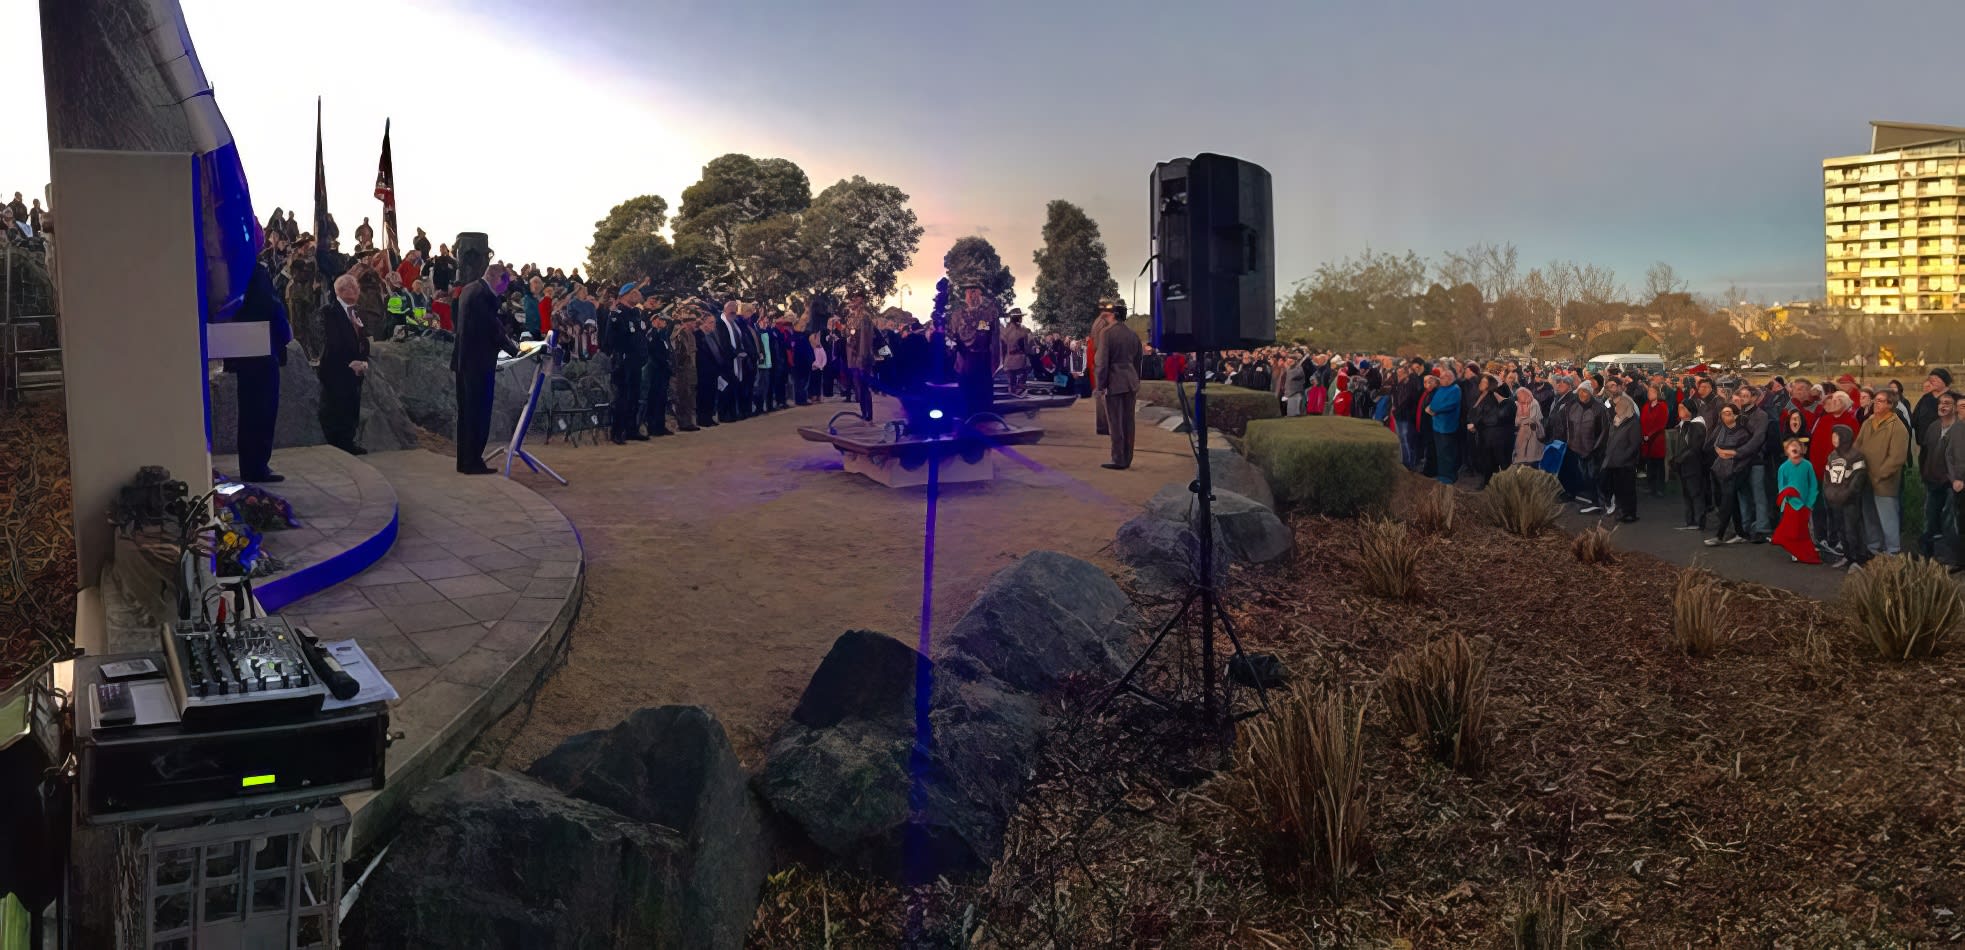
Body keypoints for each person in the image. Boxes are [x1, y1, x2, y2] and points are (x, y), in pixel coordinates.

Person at [226, 261, 292, 482]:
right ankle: (256, 466)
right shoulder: (256, 272)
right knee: (261, 410)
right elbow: (270, 308)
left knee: (251, 410)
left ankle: (252, 464)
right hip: (260, 350)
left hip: (248, 350)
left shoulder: (238, 270)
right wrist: (284, 334)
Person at [451, 264, 520, 473]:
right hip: (478, 363)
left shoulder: (469, 289)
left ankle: (465, 460)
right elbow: (491, 327)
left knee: (467, 414)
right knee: (478, 413)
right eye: (504, 283)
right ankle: (473, 462)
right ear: (496, 278)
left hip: (465, 360)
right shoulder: (483, 295)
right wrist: (513, 349)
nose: (504, 289)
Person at [317, 274, 371, 455]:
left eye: (357, 288)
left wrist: (363, 359)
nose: (356, 291)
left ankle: (349, 441)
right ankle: (337, 443)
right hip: (337, 368)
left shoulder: (356, 311)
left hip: (356, 370)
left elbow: (362, 339)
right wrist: (349, 362)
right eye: (351, 288)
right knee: (336, 407)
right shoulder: (329, 312)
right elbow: (331, 341)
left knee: (352, 405)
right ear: (340, 291)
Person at [1856, 389, 1909, 555]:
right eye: (1875, 400)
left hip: (1884, 482)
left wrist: (1879, 475)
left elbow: (1896, 458)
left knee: (1888, 518)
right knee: (1869, 516)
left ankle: (1892, 551)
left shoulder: (1898, 427)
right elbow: (1857, 446)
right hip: (1864, 479)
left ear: (1890, 405)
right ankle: (1874, 548)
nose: (1875, 403)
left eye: (1880, 401)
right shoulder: (1867, 423)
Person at [1096, 300, 1143, 471]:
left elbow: (1102, 362)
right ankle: (1127, 458)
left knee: (1115, 422)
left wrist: (1100, 385)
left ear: (1114, 314)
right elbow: (1139, 360)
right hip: (1130, 380)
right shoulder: (1132, 334)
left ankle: (1118, 459)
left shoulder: (1106, 333)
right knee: (1129, 422)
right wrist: (1136, 379)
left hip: (1115, 381)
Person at [1919, 390, 1965, 562]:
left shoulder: (1960, 429)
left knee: (1949, 522)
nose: (1942, 406)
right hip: (1932, 481)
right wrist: (1924, 473)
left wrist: (1958, 478)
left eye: (1947, 403)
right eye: (1940, 403)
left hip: (1950, 483)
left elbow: (1960, 458)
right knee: (1930, 519)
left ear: (1954, 408)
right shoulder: (1933, 427)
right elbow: (1925, 452)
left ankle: (1949, 557)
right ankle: (1929, 555)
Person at [603, 283, 650, 443]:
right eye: (634, 292)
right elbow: (611, 339)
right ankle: (617, 431)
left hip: (636, 361)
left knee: (634, 396)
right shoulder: (617, 313)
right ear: (625, 294)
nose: (638, 295)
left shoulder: (636, 313)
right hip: (623, 361)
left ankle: (631, 429)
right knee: (622, 397)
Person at [1822, 424, 1871, 570]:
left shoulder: (1856, 456)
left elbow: (1858, 479)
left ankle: (1858, 558)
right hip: (1835, 501)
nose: (1833, 439)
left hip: (1850, 501)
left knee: (1852, 528)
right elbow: (1827, 478)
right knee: (1841, 528)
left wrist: (1846, 494)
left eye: (1836, 436)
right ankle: (1847, 555)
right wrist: (1829, 493)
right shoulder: (1832, 456)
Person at [1706, 406, 1751, 546]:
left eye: (1728, 413)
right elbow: (1716, 445)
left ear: (1736, 416)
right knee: (1732, 502)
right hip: (1721, 471)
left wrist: (1728, 454)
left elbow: (1744, 453)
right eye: (1723, 414)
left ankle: (1720, 535)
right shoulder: (1721, 429)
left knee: (1727, 502)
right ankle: (1740, 533)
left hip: (1736, 471)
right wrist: (1721, 452)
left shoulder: (1743, 433)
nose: (1725, 416)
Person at [1773, 438, 1822, 564]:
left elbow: (1813, 485)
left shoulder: (1807, 466)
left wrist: (1810, 503)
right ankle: (1795, 550)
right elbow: (1781, 487)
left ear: (1803, 450)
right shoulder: (1783, 468)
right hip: (1791, 505)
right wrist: (1785, 503)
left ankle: (1809, 548)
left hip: (1805, 504)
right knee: (1793, 530)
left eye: (1797, 446)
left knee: (1807, 528)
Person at [1603, 394, 1641, 522]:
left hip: (1626, 463)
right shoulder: (1617, 419)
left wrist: (1623, 458)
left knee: (1628, 489)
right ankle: (1622, 511)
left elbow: (1634, 444)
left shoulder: (1633, 421)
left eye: (1618, 406)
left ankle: (1630, 513)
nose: (1616, 408)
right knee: (1618, 489)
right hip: (1614, 461)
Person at [1674, 401, 1710, 531]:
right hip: (1684, 465)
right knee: (1687, 494)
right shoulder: (1683, 425)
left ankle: (1700, 521)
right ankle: (1690, 521)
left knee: (1696, 493)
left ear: (1690, 409)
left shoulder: (1697, 425)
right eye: (1679, 407)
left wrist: (1679, 459)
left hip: (1693, 465)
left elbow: (1695, 447)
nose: (1680, 410)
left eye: (1683, 408)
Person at [843, 290, 878, 421]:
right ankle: (864, 412)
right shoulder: (851, 317)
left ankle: (868, 413)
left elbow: (865, 338)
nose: (853, 302)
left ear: (861, 300)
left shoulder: (865, 317)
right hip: (852, 355)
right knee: (858, 386)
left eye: (855, 299)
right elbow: (847, 332)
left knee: (864, 386)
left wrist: (862, 357)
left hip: (862, 356)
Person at [642, 298, 674, 437]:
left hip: (662, 370)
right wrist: (664, 363)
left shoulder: (662, 335)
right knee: (654, 398)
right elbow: (654, 352)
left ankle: (660, 425)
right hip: (654, 370)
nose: (665, 323)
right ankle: (653, 426)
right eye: (662, 320)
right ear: (655, 320)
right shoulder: (652, 334)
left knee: (662, 398)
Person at [669, 299, 701, 431]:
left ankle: (688, 421)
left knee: (689, 396)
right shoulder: (680, 334)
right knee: (683, 396)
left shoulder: (690, 335)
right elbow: (679, 353)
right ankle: (684, 422)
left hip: (690, 369)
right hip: (682, 370)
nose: (695, 324)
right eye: (692, 321)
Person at [1426, 368, 1462, 486]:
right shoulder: (1441, 388)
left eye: (1442, 378)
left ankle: (1448, 476)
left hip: (1447, 427)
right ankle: (1442, 474)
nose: (1439, 380)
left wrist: (1434, 410)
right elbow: (1435, 402)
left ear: (1449, 378)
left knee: (1447, 453)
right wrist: (1430, 407)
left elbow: (1449, 405)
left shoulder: (1455, 390)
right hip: (1437, 425)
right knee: (1440, 452)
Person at [1640, 382, 1669, 497]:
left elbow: (1661, 423)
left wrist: (1650, 434)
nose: (1649, 394)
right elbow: (1642, 421)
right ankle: (1651, 486)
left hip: (1657, 439)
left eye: (1652, 392)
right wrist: (1644, 434)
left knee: (1659, 465)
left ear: (1657, 393)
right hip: (1646, 439)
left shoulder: (1662, 406)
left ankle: (1660, 488)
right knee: (1650, 464)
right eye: (1648, 392)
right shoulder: (1646, 406)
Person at [998, 308, 1033, 395]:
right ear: (1017, 318)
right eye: (1020, 317)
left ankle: (1013, 390)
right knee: (1021, 380)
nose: (1021, 318)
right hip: (1020, 360)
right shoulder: (1023, 331)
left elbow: (1002, 348)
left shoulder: (1004, 331)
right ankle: (1019, 390)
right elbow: (1026, 347)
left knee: (1011, 382)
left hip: (1008, 360)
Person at [1511, 385, 1544, 467]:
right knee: (1521, 451)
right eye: (1517, 396)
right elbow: (1516, 421)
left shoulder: (1534, 402)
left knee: (1532, 453)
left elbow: (1533, 418)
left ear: (1525, 394)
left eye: (1520, 395)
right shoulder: (1517, 404)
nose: (1518, 398)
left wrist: (1522, 419)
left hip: (1533, 429)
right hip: (1522, 431)